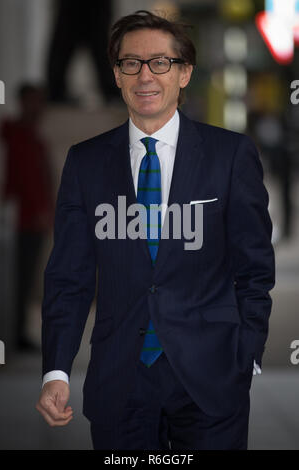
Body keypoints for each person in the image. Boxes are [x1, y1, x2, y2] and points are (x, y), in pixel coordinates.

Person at [36, 11, 275, 450]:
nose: (145, 75)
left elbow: (255, 268)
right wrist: (56, 370)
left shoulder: (230, 155)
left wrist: (246, 356)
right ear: (117, 74)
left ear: (184, 73)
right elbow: (69, 279)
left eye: (160, 63)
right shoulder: (85, 163)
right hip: (120, 382)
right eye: (131, 63)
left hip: (210, 381)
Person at [1, 83, 54, 351]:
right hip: (16, 221)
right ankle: (11, 333)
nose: (38, 108)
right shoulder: (10, 133)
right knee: (15, 280)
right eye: (33, 101)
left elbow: (43, 180)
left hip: (34, 221)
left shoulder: (35, 138)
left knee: (26, 281)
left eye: (40, 101)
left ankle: (18, 332)